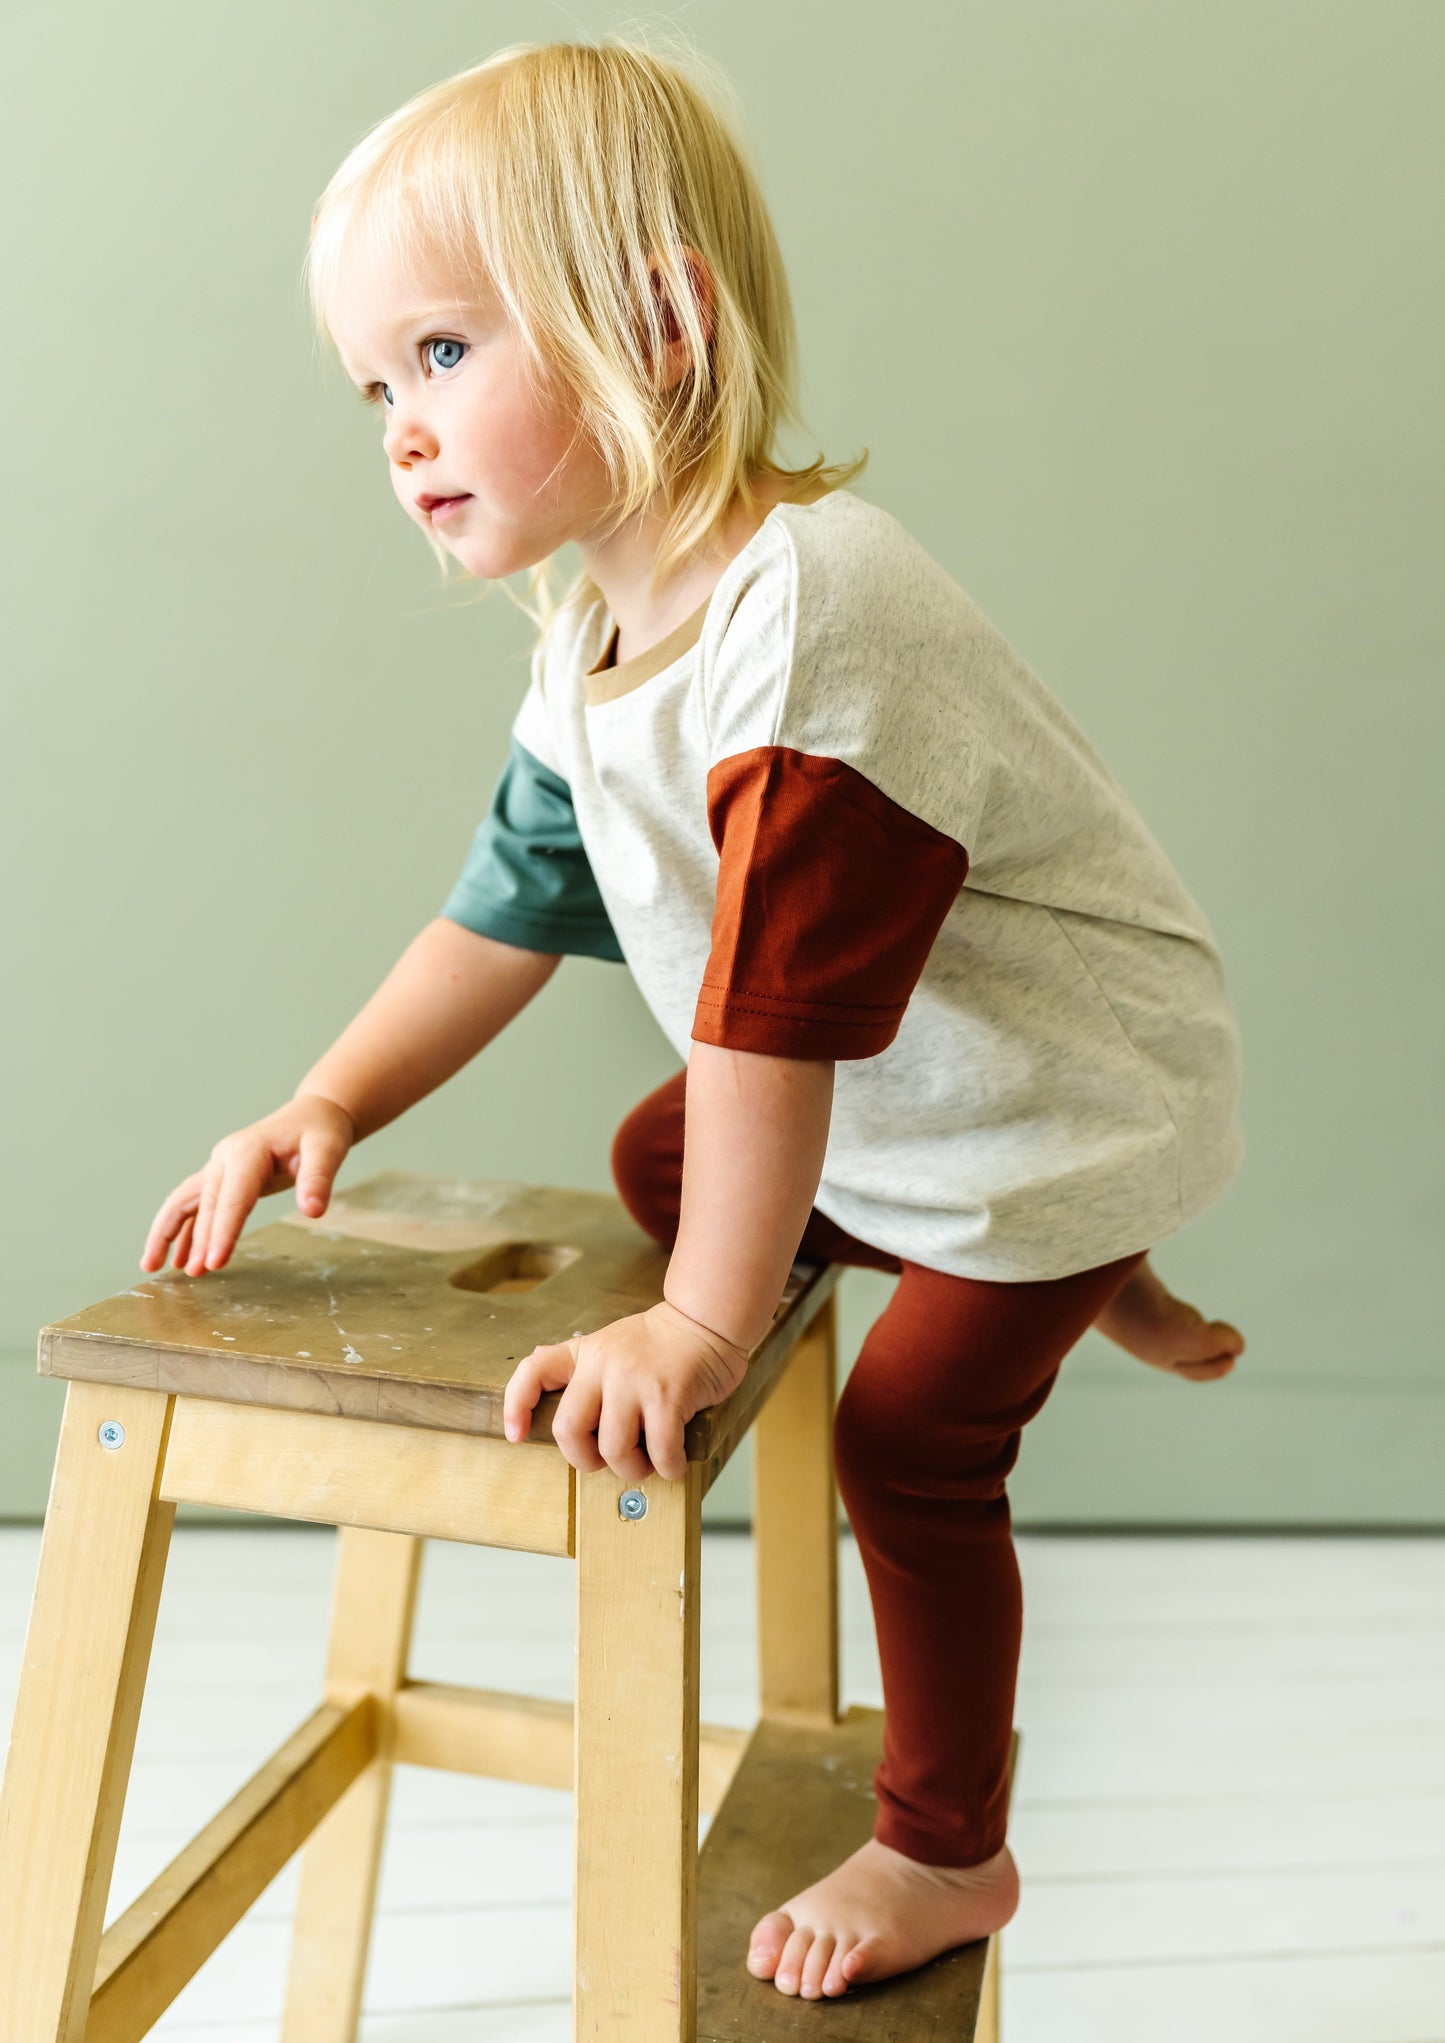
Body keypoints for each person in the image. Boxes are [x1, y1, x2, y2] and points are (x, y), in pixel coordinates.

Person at [139, 35, 1247, 2003]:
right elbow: (502, 912)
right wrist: (325, 1099)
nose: (400, 426)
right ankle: (1068, 1279)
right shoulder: (593, 630)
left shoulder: (810, 626)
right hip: (904, 1072)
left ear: (656, 323)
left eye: (448, 353)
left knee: (908, 1433)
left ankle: (948, 1843)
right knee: (669, 1159)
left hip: (1051, 1097)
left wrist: (706, 1323)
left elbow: (775, 1034)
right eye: (374, 382)